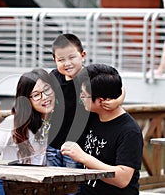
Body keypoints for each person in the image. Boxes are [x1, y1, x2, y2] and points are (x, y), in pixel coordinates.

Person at [0, 68, 63, 195]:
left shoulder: (59, 123)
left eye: (47, 90)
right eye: (36, 95)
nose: (44, 97)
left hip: (38, 188)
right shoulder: (13, 123)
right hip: (6, 184)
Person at [61, 63, 143, 195]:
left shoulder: (129, 131)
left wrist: (83, 157)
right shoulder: (92, 116)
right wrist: (119, 99)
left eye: (83, 95)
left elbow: (123, 179)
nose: (80, 98)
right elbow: (115, 85)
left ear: (101, 101)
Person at [47, 33, 125, 167]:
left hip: (78, 146)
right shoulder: (54, 77)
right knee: (50, 183)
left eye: (72, 57)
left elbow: (119, 87)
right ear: (55, 60)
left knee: (72, 183)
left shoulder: (90, 77)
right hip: (53, 144)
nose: (67, 63)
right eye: (61, 60)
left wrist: (117, 101)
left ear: (83, 55)